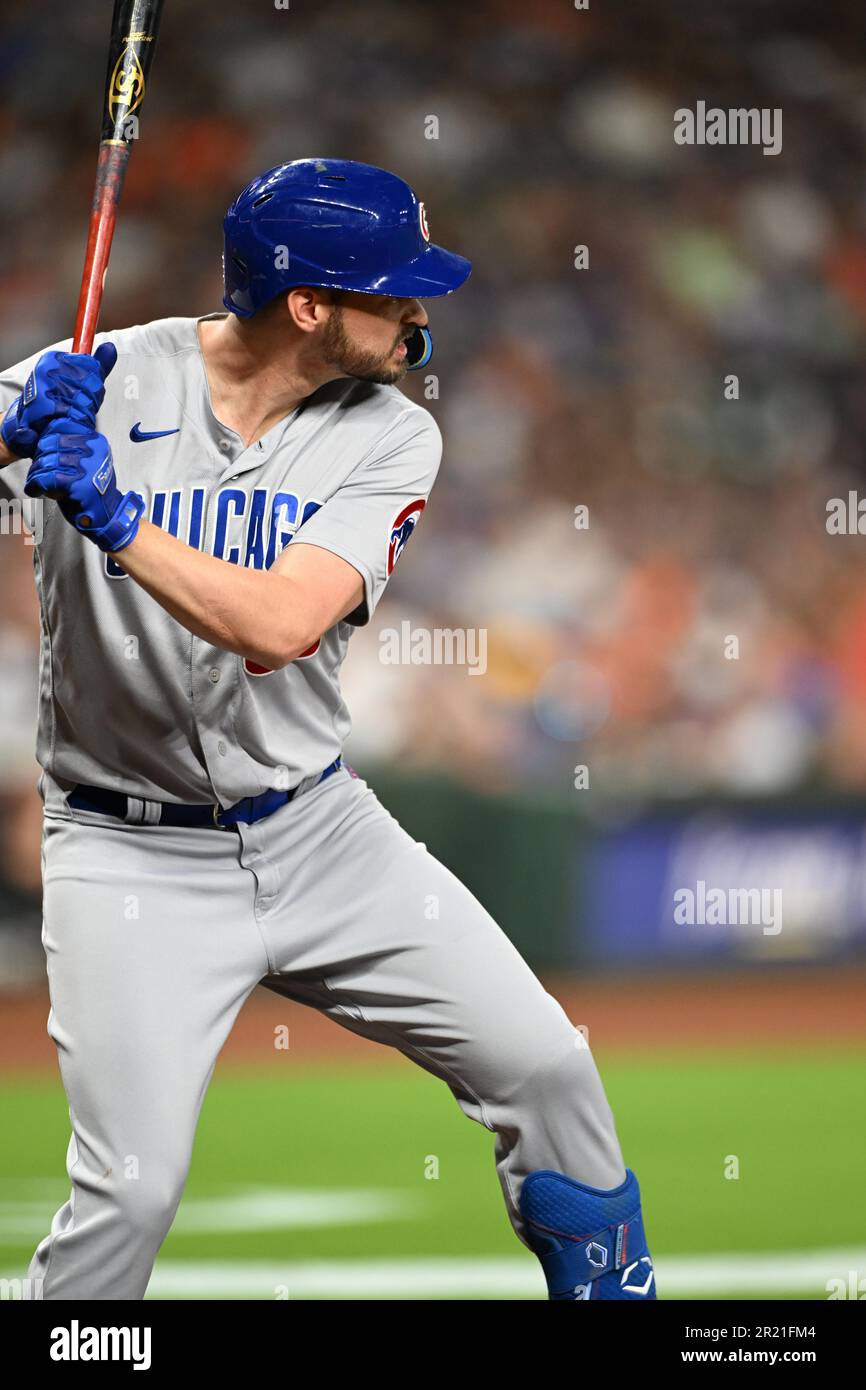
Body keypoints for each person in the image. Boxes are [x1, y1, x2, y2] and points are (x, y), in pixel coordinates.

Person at [0, 158, 655, 1301]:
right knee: (132, 1193)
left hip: (318, 834)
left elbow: (282, 623)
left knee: (547, 1067)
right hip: (126, 852)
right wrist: (10, 429)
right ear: (306, 304)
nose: (418, 309)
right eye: (391, 289)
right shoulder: (101, 375)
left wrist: (110, 510)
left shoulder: (391, 436)